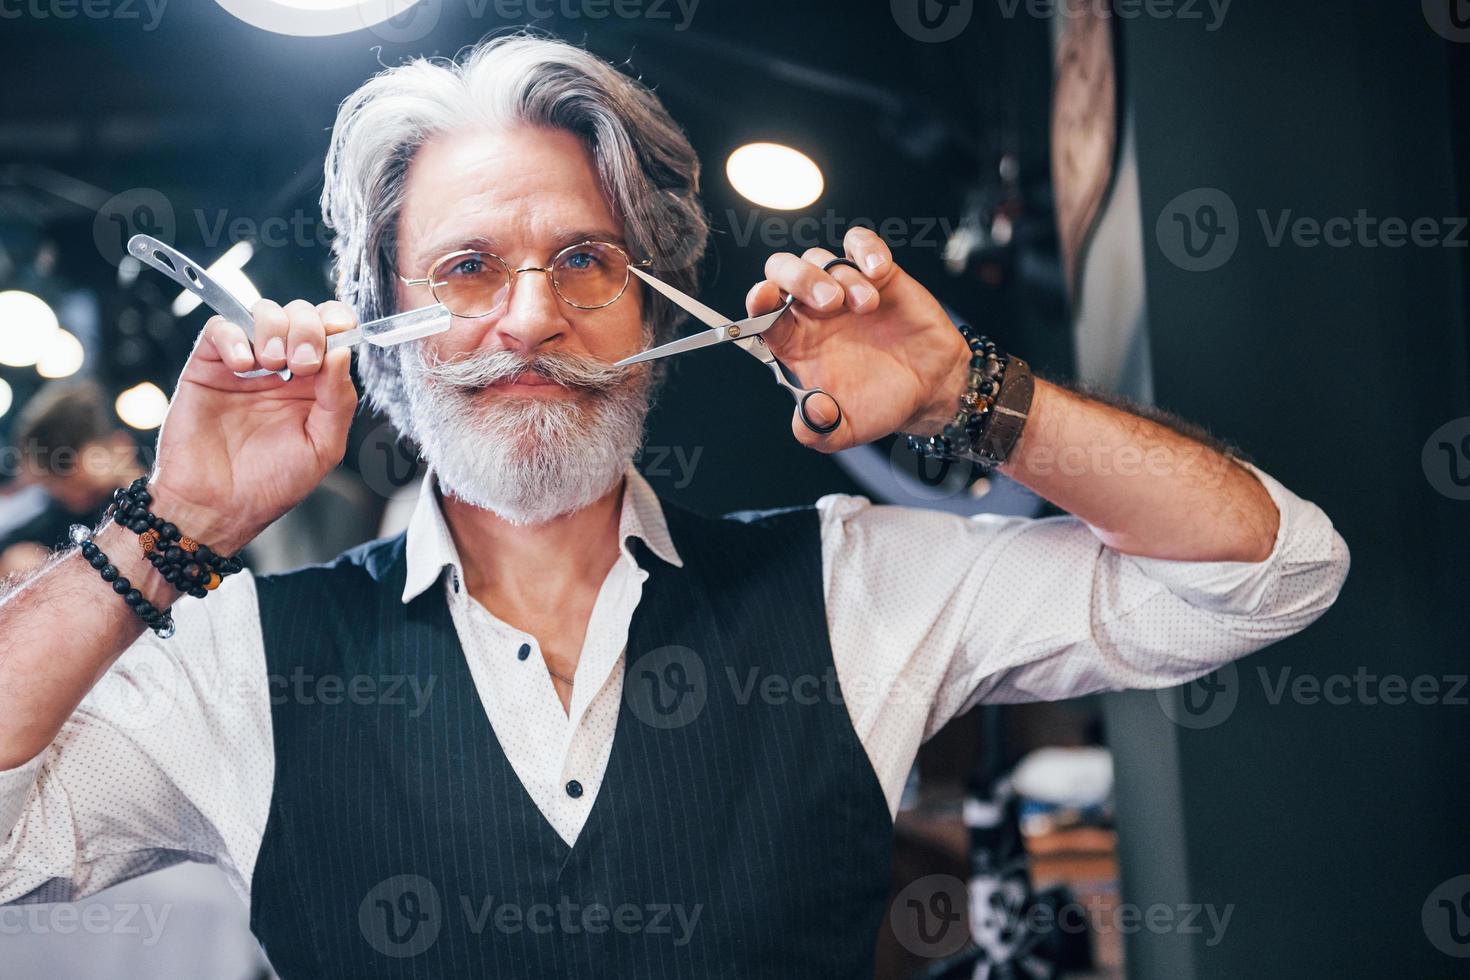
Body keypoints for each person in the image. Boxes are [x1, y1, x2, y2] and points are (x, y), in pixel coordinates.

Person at [0, 34, 1348, 979]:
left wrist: (966, 395)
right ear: (383, 333)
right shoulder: (244, 664)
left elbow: (1266, 573)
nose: (533, 317)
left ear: (649, 301)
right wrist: (165, 528)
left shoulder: (845, 587)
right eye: (467, 268)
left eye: (583, 260)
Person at [0, 381, 145, 575]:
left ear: (122, 447)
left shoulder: (150, 499)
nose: (75, 497)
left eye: (86, 488)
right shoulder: (38, 537)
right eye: (55, 486)